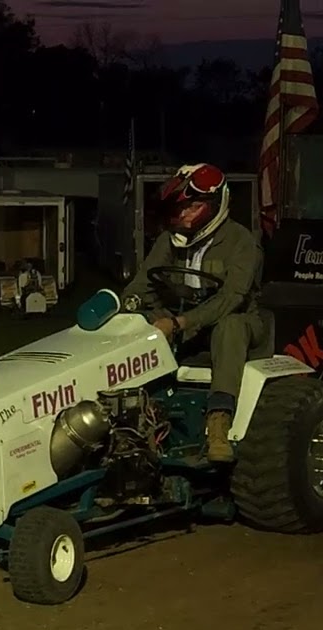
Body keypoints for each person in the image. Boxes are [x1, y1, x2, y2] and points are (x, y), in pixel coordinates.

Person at [121, 163, 265, 464]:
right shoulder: (169, 240)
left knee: (231, 325)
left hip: (236, 321)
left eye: (193, 206)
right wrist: (130, 308)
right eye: (180, 207)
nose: (183, 214)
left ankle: (219, 422)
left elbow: (232, 298)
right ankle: (129, 414)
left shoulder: (241, 242)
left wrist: (179, 323)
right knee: (135, 320)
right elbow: (142, 283)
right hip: (181, 318)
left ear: (214, 206)